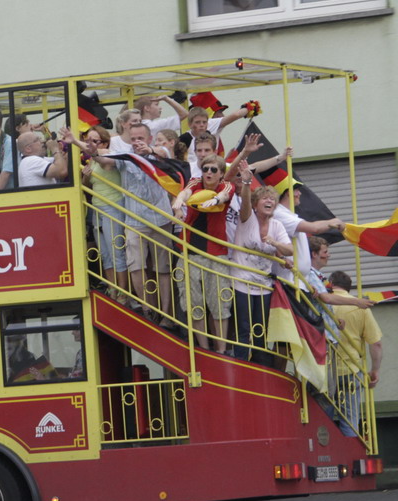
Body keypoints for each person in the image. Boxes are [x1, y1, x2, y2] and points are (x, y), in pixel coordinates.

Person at [71, 122, 176, 320]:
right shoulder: (124, 154)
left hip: (161, 218)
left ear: (149, 138)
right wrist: (86, 148)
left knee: (162, 269)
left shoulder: (158, 152)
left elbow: (165, 151)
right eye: (134, 138)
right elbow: (104, 160)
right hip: (135, 220)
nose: (137, 142)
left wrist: (150, 149)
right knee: (136, 267)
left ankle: (167, 316)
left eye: (141, 138)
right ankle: (149, 310)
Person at [172, 153, 237, 351]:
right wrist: (178, 204)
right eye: (205, 168)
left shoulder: (226, 185)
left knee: (219, 302)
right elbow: (184, 193)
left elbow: (225, 195)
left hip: (215, 253)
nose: (208, 172)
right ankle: (203, 348)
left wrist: (215, 199)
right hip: (189, 251)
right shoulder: (195, 182)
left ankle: (222, 349)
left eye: (213, 170)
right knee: (193, 303)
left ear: (221, 174)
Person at [231, 172, 293, 365]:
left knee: (261, 329)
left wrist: (275, 243)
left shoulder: (276, 225)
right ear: (256, 204)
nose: (269, 201)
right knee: (243, 327)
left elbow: (290, 249)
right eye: (265, 198)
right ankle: (242, 364)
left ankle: (261, 366)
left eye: (272, 199)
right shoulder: (247, 218)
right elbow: (245, 203)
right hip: (242, 280)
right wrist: (248, 183)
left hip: (264, 284)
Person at [71, 124, 129, 300]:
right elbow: (88, 186)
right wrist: (85, 177)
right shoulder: (91, 159)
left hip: (113, 206)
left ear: (104, 143)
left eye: (94, 141)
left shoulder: (109, 155)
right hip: (97, 207)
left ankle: (123, 293)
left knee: (116, 252)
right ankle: (113, 289)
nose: (89, 144)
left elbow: (106, 165)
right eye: (87, 140)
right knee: (105, 253)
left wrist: (75, 141)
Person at [327, 269, 382, 436]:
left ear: (331, 284)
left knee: (322, 420)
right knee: (350, 421)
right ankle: (352, 460)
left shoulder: (323, 301)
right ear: (348, 288)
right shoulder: (360, 306)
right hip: (350, 369)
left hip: (325, 369)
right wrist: (374, 371)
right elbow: (376, 344)